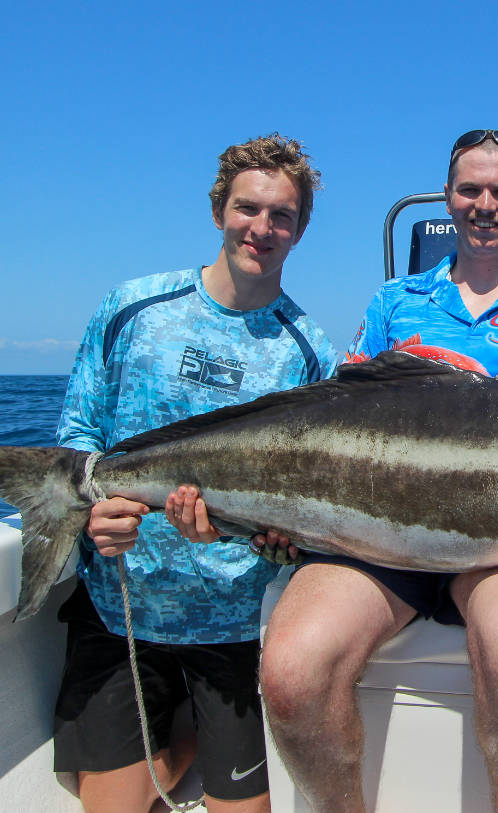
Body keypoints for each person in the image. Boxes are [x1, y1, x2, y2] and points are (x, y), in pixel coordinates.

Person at [255, 130, 498, 813]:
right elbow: (337, 418)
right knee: (290, 673)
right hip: (380, 544)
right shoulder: (392, 303)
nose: (485, 205)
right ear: (447, 199)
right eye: (470, 190)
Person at [53, 133, 338, 813]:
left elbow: (306, 509)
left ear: (299, 231)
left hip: (236, 626)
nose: (261, 228)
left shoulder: (310, 353)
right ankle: (167, 743)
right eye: (248, 208)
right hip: (122, 607)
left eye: (282, 216)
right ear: (218, 211)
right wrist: (95, 512)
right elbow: (78, 435)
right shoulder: (133, 307)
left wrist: (267, 539)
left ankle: (182, 739)